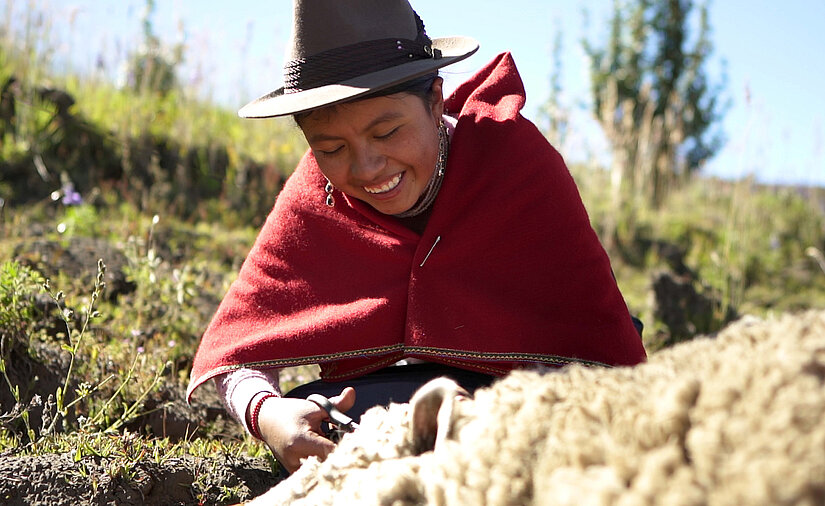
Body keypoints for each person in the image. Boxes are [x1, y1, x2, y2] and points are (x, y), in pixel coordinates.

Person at [187, 0, 647, 473]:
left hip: (522, 425)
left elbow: (602, 352)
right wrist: (267, 413)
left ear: (434, 100)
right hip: (370, 426)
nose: (366, 167)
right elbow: (239, 351)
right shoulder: (315, 193)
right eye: (332, 147)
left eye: (386, 132)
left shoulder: (517, 167)